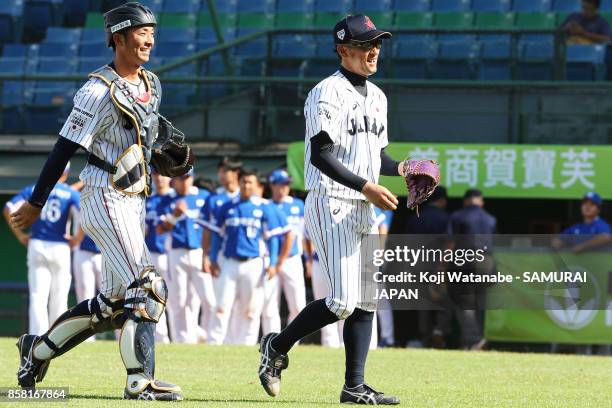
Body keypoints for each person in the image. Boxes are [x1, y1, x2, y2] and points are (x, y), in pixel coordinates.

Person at [9, 2, 182, 399]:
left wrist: (159, 152)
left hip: (134, 197)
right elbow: (63, 149)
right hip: (103, 193)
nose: (150, 39)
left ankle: (35, 350)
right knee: (149, 287)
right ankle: (140, 382)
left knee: (112, 303)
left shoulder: (151, 82)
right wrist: (37, 201)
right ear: (118, 38)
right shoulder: (95, 91)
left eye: (152, 32)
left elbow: (141, 137)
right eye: (142, 32)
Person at [258, 14, 406, 404]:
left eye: (377, 43)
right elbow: (321, 156)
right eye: (364, 44)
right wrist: (367, 186)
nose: (374, 50)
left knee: (368, 297)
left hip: (363, 203)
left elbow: (379, 156)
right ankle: (276, 346)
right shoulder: (326, 92)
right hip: (332, 201)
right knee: (342, 301)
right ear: (343, 49)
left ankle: (354, 386)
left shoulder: (378, 96)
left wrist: (401, 169)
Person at [208, 169, 285, 345]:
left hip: (253, 263)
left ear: (257, 185)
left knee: (250, 309)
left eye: (251, 182)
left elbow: (272, 239)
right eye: (244, 182)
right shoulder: (227, 206)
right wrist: (212, 258)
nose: (246, 185)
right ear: (239, 182)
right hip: (228, 261)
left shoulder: (263, 207)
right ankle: (214, 343)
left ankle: (247, 344)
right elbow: (217, 236)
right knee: (221, 306)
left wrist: (273, 263)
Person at [3, 163, 79, 335]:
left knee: (38, 295)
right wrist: (76, 239)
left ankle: (38, 336)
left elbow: (8, 208)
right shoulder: (71, 193)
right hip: (60, 246)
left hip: (37, 245)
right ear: (66, 174)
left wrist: (20, 235)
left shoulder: (34, 189)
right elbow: (83, 216)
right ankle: (58, 337)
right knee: (59, 296)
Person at [157, 170, 213, 344]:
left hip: (198, 252)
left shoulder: (204, 196)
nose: (185, 181)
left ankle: (212, 337)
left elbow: (211, 228)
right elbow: (160, 229)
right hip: (176, 252)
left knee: (209, 299)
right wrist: (174, 216)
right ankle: (183, 340)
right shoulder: (167, 199)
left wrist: (208, 255)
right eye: (181, 178)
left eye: (187, 177)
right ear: (174, 181)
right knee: (179, 300)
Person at [447, 188, 497, 350]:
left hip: (465, 261)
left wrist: (442, 266)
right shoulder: (491, 219)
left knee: (463, 302)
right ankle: (471, 342)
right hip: (487, 262)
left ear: (466, 201)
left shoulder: (458, 216)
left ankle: (474, 339)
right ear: (481, 202)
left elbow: (450, 243)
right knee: (479, 303)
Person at [264, 169, 306, 331]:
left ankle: (292, 342)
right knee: (269, 304)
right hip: (270, 259)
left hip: (292, 258)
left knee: (298, 304)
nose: (284, 188)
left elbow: (304, 234)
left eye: (286, 184)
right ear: (272, 185)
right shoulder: (266, 205)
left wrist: (308, 258)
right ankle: (271, 339)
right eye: (280, 184)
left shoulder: (298, 205)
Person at [145, 171, 173, 343]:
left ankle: (186, 336)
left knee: (179, 300)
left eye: (163, 175)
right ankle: (162, 337)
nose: (160, 178)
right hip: (151, 253)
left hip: (171, 255)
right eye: (156, 175)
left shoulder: (176, 198)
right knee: (155, 297)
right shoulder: (149, 200)